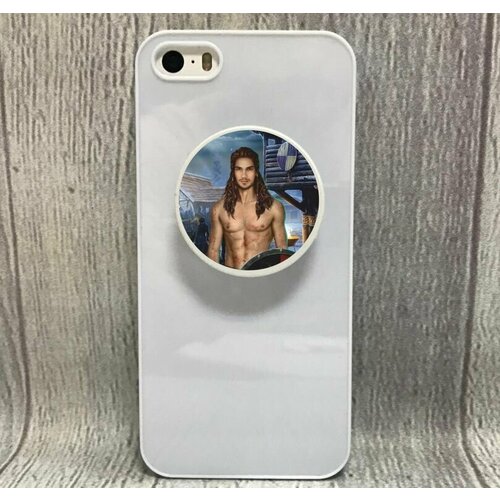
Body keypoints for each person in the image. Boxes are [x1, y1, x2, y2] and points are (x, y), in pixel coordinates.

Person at [207, 147, 287, 269]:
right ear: (233, 172)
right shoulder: (219, 209)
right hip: (231, 274)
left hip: (260, 274)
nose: (244, 175)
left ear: (256, 172)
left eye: (249, 169)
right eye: (239, 169)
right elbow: (213, 250)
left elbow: (282, 251)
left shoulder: (274, 208)